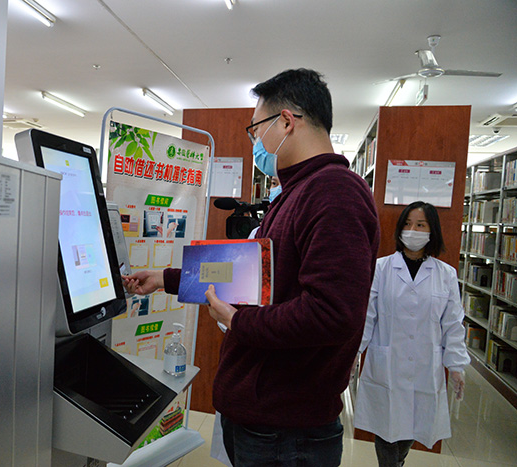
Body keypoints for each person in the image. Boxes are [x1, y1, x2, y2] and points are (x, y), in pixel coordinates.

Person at [123, 68, 380, 466]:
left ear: (286, 122)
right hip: (268, 422)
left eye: (256, 129)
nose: (256, 142)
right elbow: (249, 275)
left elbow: (332, 314)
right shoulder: (297, 191)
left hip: (285, 432)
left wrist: (239, 321)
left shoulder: (334, 192)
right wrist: (166, 278)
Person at [353, 201, 470, 467]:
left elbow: (453, 324)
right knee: (386, 426)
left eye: (420, 225)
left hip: (424, 365)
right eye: (407, 224)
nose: (412, 230)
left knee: (412, 426)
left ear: (432, 231)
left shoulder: (445, 275)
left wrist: (456, 366)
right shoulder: (381, 269)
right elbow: (367, 317)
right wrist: (354, 353)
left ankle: (398, 462)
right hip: (388, 363)